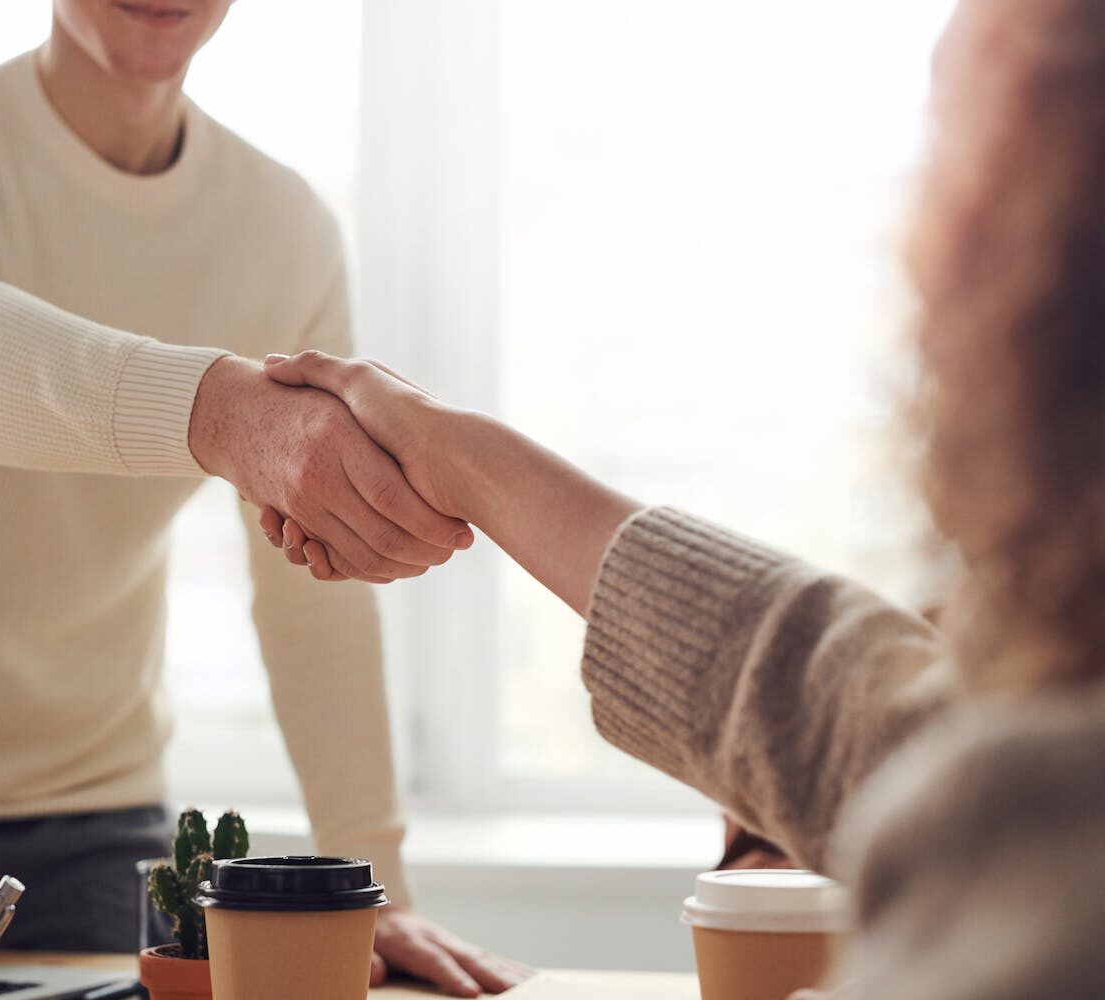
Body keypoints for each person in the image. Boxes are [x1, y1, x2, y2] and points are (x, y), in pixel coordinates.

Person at [255, 0, 1105, 993]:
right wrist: (467, 460)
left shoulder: (1045, 848)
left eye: (955, 160)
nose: (912, 243)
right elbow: (858, 709)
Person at [0, 0, 528, 993]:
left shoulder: (280, 229)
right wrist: (220, 414)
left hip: (84, 826)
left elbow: (310, 592)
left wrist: (376, 884)